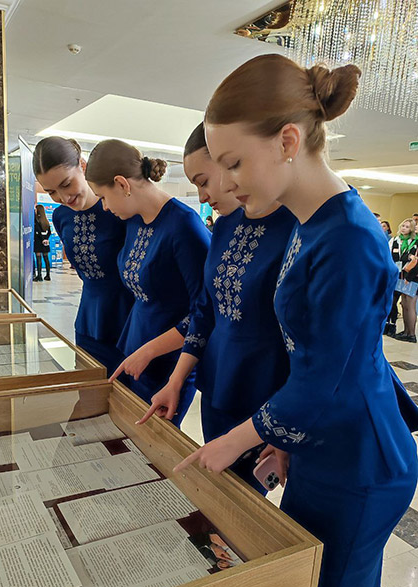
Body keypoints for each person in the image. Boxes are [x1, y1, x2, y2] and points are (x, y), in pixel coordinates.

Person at [173, 54, 418, 587]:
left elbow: (330, 377)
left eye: (234, 163)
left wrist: (235, 439)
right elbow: (309, 355)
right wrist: (284, 438)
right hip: (321, 442)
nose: (225, 184)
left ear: (288, 141)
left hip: (358, 460)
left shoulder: (350, 238)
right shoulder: (312, 224)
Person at [137, 122, 296, 493]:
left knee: (245, 497)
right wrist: (175, 380)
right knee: (218, 490)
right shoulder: (225, 226)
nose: (203, 196)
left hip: (267, 391)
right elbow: (205, 311)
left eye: (204, 181)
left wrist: (286, 423)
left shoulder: (296, 226)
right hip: (218, 383)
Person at [85, 139, 211, 427]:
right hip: (135, 351)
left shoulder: (184, 227)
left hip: (170, 363)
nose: (104, 207)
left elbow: (204, 312)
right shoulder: (134, 219)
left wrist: (150, 351)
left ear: (122, 184)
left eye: (103, 197)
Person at [32, 137, 134, 376]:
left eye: (66, 184)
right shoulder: (61, 216)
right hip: (88, 321)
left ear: (83, 165)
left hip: (129, 320)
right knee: (89, 391)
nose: (63, 197)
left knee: (127, 396)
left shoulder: (119, 209)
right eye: (51, 192)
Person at [394, 217, 418, 343]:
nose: (404, 228)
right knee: (404, 304)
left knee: (410, 305)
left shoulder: (415, 243)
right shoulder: (403, 241)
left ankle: (412, 334)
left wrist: (409, 277)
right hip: (403, 276)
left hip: (412, 277)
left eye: (408, 227)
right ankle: (406, 331)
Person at [33, 204, 52, 281]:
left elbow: (37, 231)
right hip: (45, 242)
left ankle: (39, 276)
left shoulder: (36, 220)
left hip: (38, 242)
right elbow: (49, 232)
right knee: (46, 258)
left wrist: (42, 239)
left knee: (38, 258)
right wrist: (46, 239)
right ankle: (48, 275)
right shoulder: (46, 221)